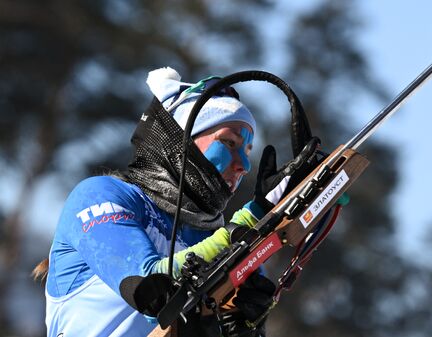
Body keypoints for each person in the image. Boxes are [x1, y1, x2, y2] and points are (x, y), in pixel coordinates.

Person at [34, 67, 317, 337]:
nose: (244, 164)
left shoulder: (214, 236)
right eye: (229, 143)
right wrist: (252, 219)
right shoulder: (101, 195)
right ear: (181, 144)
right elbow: (152, 290)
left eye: (247, 150)